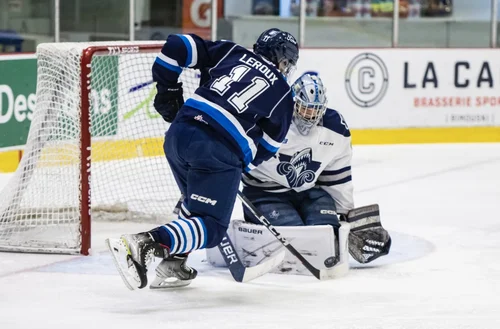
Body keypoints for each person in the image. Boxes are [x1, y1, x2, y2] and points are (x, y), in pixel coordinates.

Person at [107, 28, 299, 290]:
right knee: (212, 226)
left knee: (194, 205)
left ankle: (173, 263)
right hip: (216, 150)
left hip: (179, 134)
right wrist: (240, 166)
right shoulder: (284, 94)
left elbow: (178, 44)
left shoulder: (231, 52)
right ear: (284, 60)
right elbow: (269, 145)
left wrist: (167, 90)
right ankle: (145, 243)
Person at [241, 73, 391, 265]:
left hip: (310, 192)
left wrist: (346, 217)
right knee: (296, 238)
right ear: (293, 103)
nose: (310, 116)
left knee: (325, 234)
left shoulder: (336, 128)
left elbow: (338, 175)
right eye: (305, 109)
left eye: (315, 110)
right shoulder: (271, 120)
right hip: (264, 192)